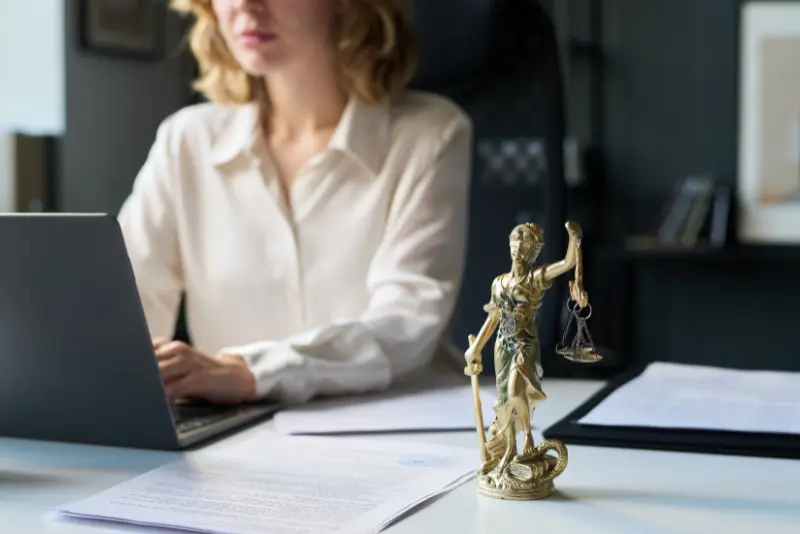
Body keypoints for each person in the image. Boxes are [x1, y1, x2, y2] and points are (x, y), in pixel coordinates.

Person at [117, 0, 473, 406]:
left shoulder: (429, 135)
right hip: (242, 438)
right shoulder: (186, 141)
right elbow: (122, 305)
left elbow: (406, 322)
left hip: (402, 432)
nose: (245, 6)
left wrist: (254, 371)